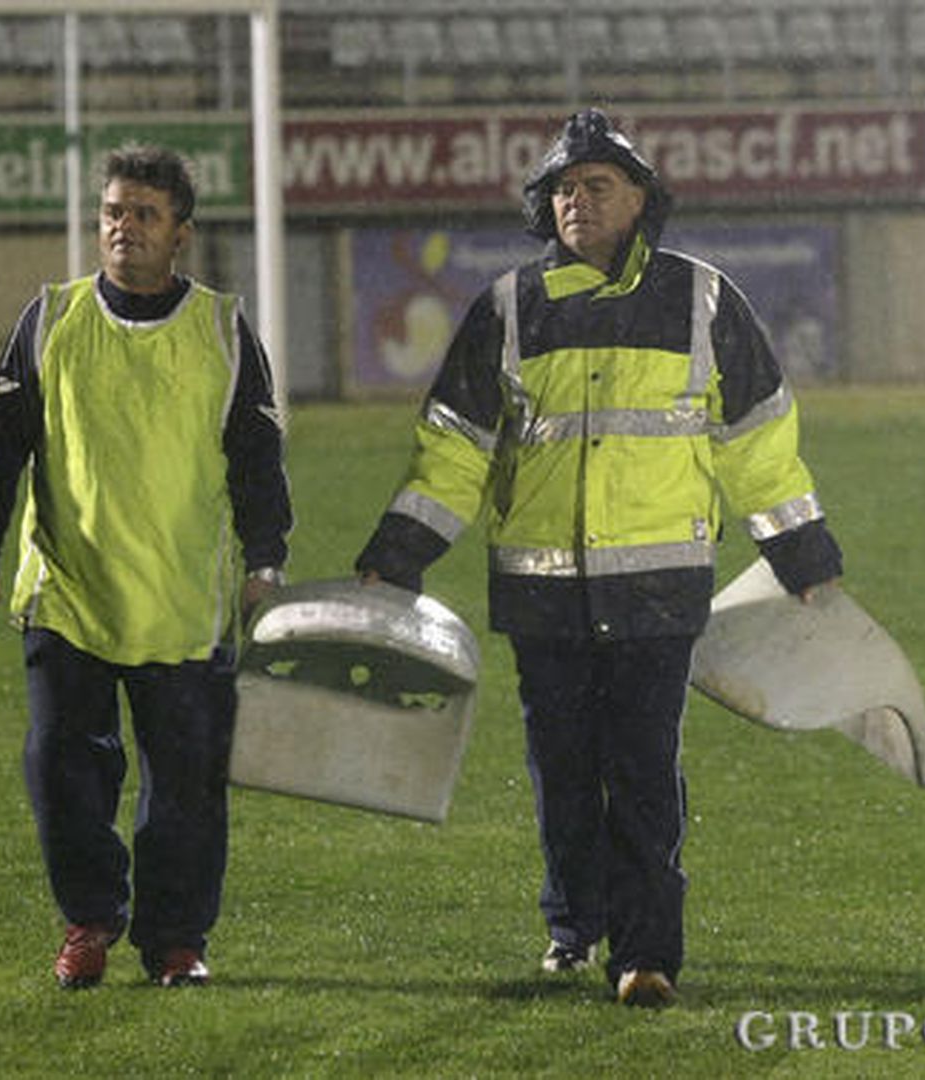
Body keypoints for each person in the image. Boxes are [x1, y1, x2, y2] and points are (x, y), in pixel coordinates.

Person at [354, 110, 842, 1008]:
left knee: (645, 771)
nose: (576, 202)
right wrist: (402, 553)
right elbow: (454, 451)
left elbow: (758, 442)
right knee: (564, 772)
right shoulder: (508, 307)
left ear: (642, 199)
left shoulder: (704, 300)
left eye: (596, 187)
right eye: (563, 190)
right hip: (542, 593)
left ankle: (645, 952)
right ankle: (575, 926)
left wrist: (802, 550)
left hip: (660, 588)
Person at [0, 143, 292, 991]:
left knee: (186, 789)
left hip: (183, 602)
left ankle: (176, 940)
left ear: (181, 235)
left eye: (143, 214)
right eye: (112, 213)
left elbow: (258, 462)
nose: (122, 228)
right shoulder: (51, 319)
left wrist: (267, 562)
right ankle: (90, 922)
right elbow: (1, 452)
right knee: (61, 768)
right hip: (68, 592)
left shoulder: (221, 330)